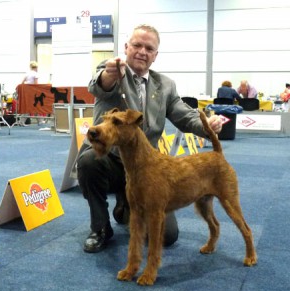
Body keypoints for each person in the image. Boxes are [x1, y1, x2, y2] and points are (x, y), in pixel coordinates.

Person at [76, 24, 223, 253]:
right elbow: (100, 83)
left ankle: (125, 207)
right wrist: (108, 74)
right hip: (112, 160)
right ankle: (101, 228)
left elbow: (183, 115)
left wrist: (208, 127)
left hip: (147, 166)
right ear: (126, 47)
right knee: (88, 163)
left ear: (155, 55)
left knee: (167, 236)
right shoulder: (114, 72)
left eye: (149, 48)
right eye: (136, 45)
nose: (142, 51)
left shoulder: (165, 85)